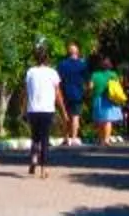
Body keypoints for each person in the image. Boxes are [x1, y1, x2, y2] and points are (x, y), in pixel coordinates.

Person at [21, 44, 67, 176]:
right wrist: (63, 111)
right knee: (44, 139)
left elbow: (26, 93)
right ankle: (43, 169)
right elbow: (58, 94)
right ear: (47, 59)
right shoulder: (52, 73)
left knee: (35, 137)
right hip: (47, 110)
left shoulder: (30, 72)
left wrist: (23, 110)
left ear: (35, 58)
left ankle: (34, 158)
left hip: (33, 109)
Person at [54, 41, 91, 145]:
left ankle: (66, 138)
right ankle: (74, 138)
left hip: (64, 93)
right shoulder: (82, 65)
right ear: (77, 52)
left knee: (65, 115)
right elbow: (88, 81)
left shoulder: (62, 64)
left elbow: (57, 80)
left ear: (68, 52)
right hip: (77, 94)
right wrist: (87, 92)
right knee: (75, 116)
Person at [86, 55, 128, 144]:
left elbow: (90, 87)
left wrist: (89, 93)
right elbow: (117, 86)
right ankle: (106, 139)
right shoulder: (113, 75)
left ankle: (101, 139)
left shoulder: (95, 75)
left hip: (98, 98)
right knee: (108, 120)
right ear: (110, 65)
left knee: (100, 120)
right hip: (110, 99)